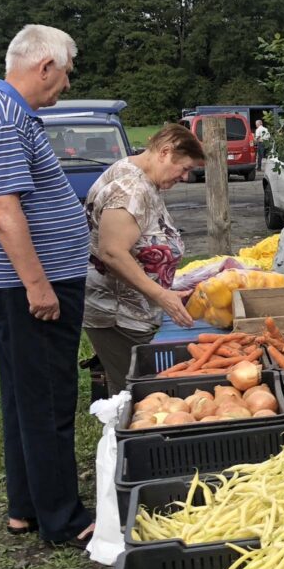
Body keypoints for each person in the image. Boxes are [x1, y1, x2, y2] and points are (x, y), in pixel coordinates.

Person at [0, 24, 95, 548]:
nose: (65, 86)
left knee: (24, 395)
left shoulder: (9, 113)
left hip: (20, 284)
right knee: (48, 401)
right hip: (28, 289)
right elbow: (3, 208)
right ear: (45, 67)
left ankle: (26, 507)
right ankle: (63, 520)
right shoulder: (3, 119)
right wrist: (39, 286)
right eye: (65, 75)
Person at [83, 124, 206, 395]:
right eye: (184, 168)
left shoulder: (142, 178)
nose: (185, 178)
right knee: (137, 393)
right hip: (120, 316)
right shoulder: (130, 189)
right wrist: (161, 295)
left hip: (133, 311)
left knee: (138, 388)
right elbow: (112, 252)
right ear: (165, 152)